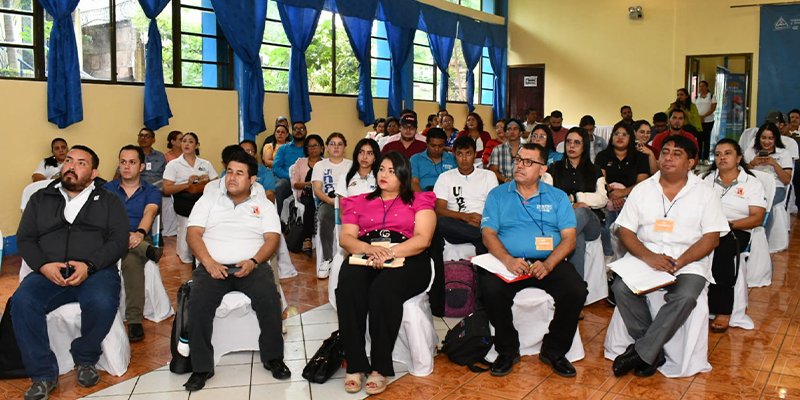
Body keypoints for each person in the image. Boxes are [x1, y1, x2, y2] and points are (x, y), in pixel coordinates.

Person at [13, 145, 129, 397]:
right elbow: (25, 239)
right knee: (21, 302)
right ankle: (43, 374)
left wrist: (90, 266)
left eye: (81, 163)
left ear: (93, 172)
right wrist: (43, 265)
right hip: (49, 272)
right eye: (68, 161)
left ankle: (85, 357)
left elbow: (118, 241)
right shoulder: (40, 199)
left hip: (95, 271)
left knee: (102, 300)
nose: (71, 167)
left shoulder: (109, 200)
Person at [610, 135, 729, 378]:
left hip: (688, 261)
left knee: (685, 296)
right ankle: (652, 351)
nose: (668, 158)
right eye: (664, 152)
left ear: (691, 162)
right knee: (621, 288)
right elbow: (626, 231)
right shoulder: (643, 190)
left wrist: (681, 262)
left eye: (677, 154)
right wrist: (649, 257)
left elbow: (711, 239)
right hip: (647, 257)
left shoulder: (705, 193)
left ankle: (643, 351)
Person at [183, 151, 290, 391]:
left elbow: (272, 239)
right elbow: (193, 234)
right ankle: (201, 367)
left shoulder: (263, 205)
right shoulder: (209, 199)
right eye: (229, 171)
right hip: (212, 267)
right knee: (198, 303)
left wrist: (254, 260)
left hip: (252, 266)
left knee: (270, 299)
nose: (232, 177)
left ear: (252, 180)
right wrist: (208, 262)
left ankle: (273, 358)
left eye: (239, 173)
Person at [480, 142, 587, 377]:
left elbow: (569, 240)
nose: (520, 165)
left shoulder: (557, 197)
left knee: (576, 290)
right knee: (490, 289)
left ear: (542, 169)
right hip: (509, 262)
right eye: (518, 159)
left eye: (528, 162)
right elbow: (488, 234)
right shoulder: (498, 194)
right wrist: (508, 260)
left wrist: (549, 264)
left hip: (548, 261)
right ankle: (507, 350)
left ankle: (555, 350)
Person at [336, 152, 436, 395]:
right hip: (367, 251)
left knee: (384, 289)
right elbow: (346, 238)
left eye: (392, 171)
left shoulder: (419, 201)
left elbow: (423, 239)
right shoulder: (358, 201)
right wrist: (371, 250)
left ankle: (380, 368)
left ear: (403, 174)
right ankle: (356, 363)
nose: (384, 174)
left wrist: (391, 252)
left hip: (408, 255)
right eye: (381, 169)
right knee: (348, 285)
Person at [429, 136, 498, 315]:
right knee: (440, 222)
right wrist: (464, 217)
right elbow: (439, 210)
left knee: (486, 234)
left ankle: (483, 303)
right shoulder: (445, 177)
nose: (464, 158)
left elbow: (494, 207)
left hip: (483, 223)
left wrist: (482, 221)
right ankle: (481, 235)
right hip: (455, 227)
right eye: (460, 154)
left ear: (475, 155)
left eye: (468, 154)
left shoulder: (488, 176)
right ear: (454, 155)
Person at [703, 139, 766, 332]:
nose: (722, 157)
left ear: (738, 158)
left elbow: (757, 218)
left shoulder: (752, 183)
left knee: (721, 250)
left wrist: (729, 224)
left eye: (727, 153)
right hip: (707, 227)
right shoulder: (706, 180)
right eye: (719, 153)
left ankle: (722, 310)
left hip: (736, 229)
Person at [104, 145, 163, 343]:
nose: (126, 166)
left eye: (132, 162)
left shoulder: (151, 190)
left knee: (130, 260)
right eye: (123, 162)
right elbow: (104, 219)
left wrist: (139, 233)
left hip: (139, 236)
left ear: (142, 166)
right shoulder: (107, 189)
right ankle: (148, 251)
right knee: (129, 248)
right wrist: (123, 234)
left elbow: (150, 213)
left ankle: (134, 320)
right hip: (111, 237)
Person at [549, 128, 608, 278]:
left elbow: (602, 199)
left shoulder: (595, 170)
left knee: (581, 212)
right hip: (564, 222)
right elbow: (548, 198)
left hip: (592, 223)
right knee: (577, 237)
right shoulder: (554, 168)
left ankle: (554, 246)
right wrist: (571, 205)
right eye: (568, 142)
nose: (571, 146)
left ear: (584, 146)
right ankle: (578, 289)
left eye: (577, 142)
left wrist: (577, 198)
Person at [595, 123, 650, 257]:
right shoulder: (603, 156)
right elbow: (601, 180)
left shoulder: (640, 157)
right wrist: (614, 195)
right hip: (608, 199)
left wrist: (623, 194)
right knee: (607, 220)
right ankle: (609, 256)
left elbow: (643, 183)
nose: (620, 137)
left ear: (631, 138)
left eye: (624, 134)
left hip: (633, 199)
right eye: (616, 134)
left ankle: (628, 255)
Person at [163, 132, 218, 264]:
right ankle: (185, 257)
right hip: (184, 200)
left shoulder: (205, 163)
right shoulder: (173, 164)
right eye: (184, 141)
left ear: (197, 145)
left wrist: (205, 180)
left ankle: (203, 255)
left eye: (190, 141)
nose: (186, 144)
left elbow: (217, 184)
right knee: (186, 227)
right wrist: (187, 185)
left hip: (202, 198)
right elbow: (167, 189)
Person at [312, 133, 352, 277]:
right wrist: (332, 202)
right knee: (325, 217)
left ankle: (353, 257)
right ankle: (327, 259)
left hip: (348, 202)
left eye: (340, 144)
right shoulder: (320, 165)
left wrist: (342, 203)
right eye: (332, 144)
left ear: (344, 147)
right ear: (327, 147)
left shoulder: (351, 165)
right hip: (327, 201)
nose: (336, 147)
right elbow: (317, 189)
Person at [743, 123, 793, 226]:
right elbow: (741, 174)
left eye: (771, 138)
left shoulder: (784, 153)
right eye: (763, 138)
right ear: (758, 138)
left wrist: (774, 164)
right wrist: (752, 164)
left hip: (776, 188)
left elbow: (787, 180)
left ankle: (762, 234)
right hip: (754, 187)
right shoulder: (750, 152)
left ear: (776, 139)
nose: (766, 142)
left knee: (766, 204)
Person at [290, 134, 325, 254]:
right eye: (309, 146)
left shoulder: (326, 163)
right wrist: (312, 184)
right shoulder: (300, 162)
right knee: (310, 203)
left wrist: (317, 186)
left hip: (323, 195)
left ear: (321, 147)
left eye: (315, 145)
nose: (312, 148)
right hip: (305, 195)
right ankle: (307, 239)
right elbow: (295, 184)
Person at [273, 121, 308, 216]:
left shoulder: (309, 149)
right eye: (296, 129)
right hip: (287, 180)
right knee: (280, 187)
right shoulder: (283, 149)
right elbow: (276, 168)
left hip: (306, 181)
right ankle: (279, 222)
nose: (299, 131)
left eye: (302, 129)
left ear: (306, 132)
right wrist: (291, 178)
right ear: (291, 132)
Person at [162, 131, 184, 238]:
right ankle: (169, 232)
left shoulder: (188, 156)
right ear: (173, 142)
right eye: (180, 139)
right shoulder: (166, 157)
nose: (184, 142)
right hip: (172, 186)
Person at [489, 119, 524, 184]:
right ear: (505, 133)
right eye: (509, 129)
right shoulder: (497, 149)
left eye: (515, 129)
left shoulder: (527, 150)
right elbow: (493, 170)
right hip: (503, 185)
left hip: (523, 184)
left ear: (521, 133)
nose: (512, 132)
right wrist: (505, 180)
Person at [695, 81, 717, 160]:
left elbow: (713, 108)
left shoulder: (711, 96)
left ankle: (705, 158)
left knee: (706, 139)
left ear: (707, 87)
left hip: (708, 121)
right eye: (700, 86)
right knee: (699, 140)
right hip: (698, 121)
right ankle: (699, 157)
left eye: (703, 86)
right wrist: (699, 117)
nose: (701, 88)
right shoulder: (696, 97)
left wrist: (704, 116)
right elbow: (694, 109)